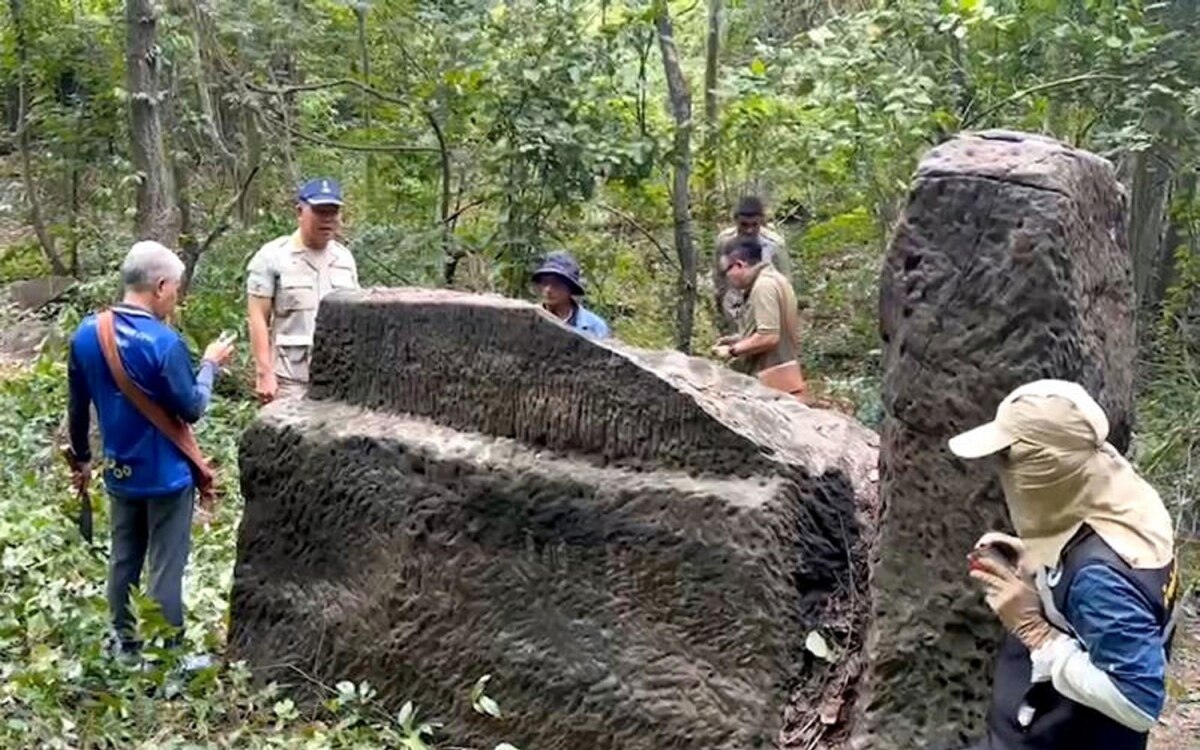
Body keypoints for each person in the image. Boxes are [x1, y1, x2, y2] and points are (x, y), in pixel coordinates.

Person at [950, 380, 1178, 750]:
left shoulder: (1098, 580)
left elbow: (1139, 702)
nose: (1000, 469)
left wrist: (1035, 631)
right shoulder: (1125, 496)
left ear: (1045, 467)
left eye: (1008, 457)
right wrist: (1040, 557)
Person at [66, 241, 235, 659]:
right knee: (165, 567)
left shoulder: (88, 333)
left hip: (120, 472)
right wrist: (210, 365)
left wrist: (82, 460)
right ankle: (165, 657)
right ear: (160, 286)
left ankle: (125, 646)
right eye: (175, 288)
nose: (176, 297)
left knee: (123, 560)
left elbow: (77, 406)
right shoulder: (164, 343)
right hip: (167, 477)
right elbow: (192, 408)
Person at [246, 177, 359, 404]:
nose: (327, 220)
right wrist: (264, 373)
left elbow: (356, 317)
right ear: (300, 211)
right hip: (289, 379)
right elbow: (257, 316)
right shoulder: (272, 257)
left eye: (333, 212)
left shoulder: (345, 259)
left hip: (339, 379)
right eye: (320, 211)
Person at [712, 236, 805, 397]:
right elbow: (772, 327)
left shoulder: (764, 286)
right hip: (782, 380)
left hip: (774, 385)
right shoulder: (775, 279)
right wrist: (739, 338)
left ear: (739, 265)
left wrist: (732, 350)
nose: (727, 277)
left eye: (727, 271)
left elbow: (768, 336)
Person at [712, 195, 792, 333]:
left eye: (754, 225)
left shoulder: (774, 244)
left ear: (761, 221)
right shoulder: (724, 240)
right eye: (744, 225)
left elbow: (786, 281)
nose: (749, 230)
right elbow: (719, 276)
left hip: (764, 302)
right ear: (736, 220)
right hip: (733, 304)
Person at [532, 251, 610, 339]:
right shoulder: (529, 318)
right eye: (545, 283)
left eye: (556, 284)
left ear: (570, 288)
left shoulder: (594, 326)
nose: (548, 290)